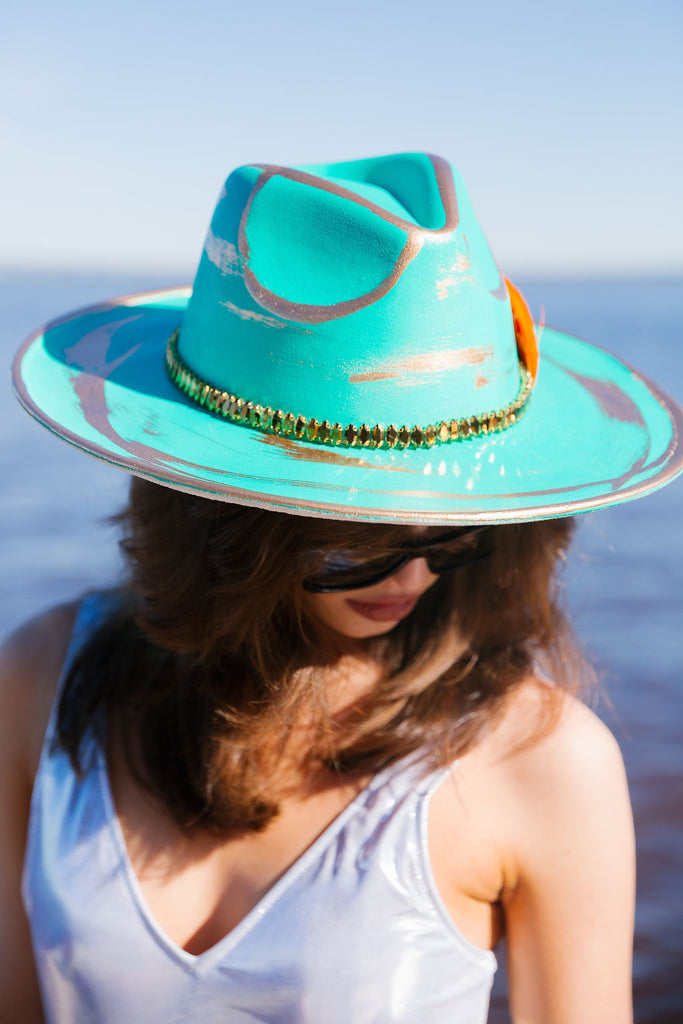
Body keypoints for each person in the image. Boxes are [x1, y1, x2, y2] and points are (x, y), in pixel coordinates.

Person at [4, 153, 682, 1024]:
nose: (410, 576)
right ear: (223, 522)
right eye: (349, 542)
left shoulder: (539, 763)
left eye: (451, 530)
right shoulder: (42, 676)